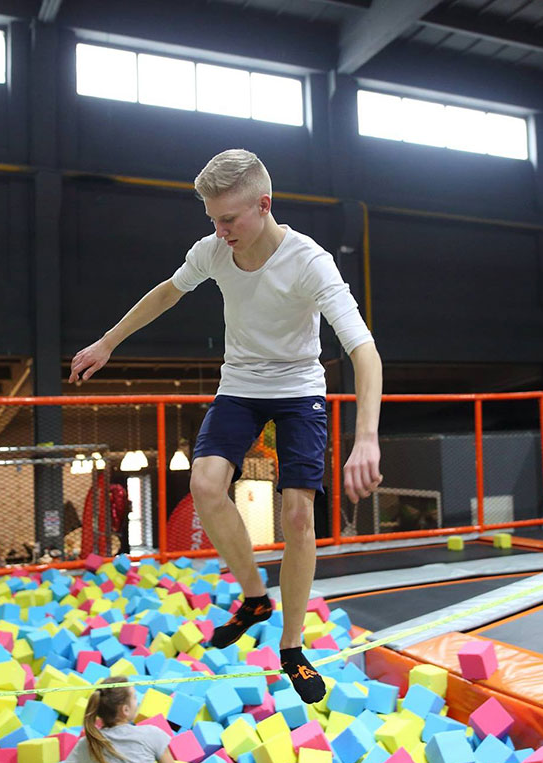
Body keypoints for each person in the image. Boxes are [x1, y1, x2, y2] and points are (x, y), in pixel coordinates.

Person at [69, 149, 382, 703]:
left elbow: (363, 350)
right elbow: (168, 292)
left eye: (229, 220)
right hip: (240, 383)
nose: (219, 231)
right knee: (206, 485)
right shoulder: (213, 251)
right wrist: (107, 341)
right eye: (213, 220)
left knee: (298, 511)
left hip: (297, 387)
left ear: (263, 206)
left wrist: (367, 437)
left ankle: (291, 647)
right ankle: (255, 596)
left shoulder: (310, 262)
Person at [33, 677, 184, 763]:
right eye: (134, 697)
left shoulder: (86, 745)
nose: (138, 702)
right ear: (125, 710)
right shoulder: (152, 734)